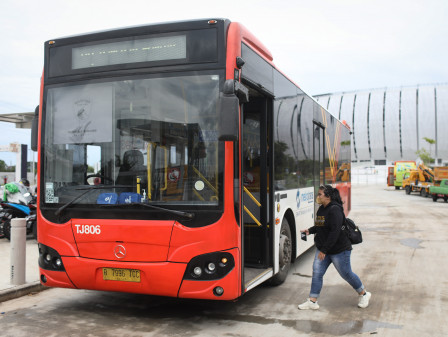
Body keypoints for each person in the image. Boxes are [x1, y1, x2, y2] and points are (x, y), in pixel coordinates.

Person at [298, 185, 371, 310]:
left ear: (328, 196)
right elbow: (320, 226)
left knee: (346, 274)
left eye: (320, 194)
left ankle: (364, 293)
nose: (318, 197)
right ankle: (312, 300)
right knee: (317, 273)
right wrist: (309, 231)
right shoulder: (321, 209)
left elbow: (335, 232)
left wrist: (324, 250)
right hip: (324, 248)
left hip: (339, 250)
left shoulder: (335, 210)